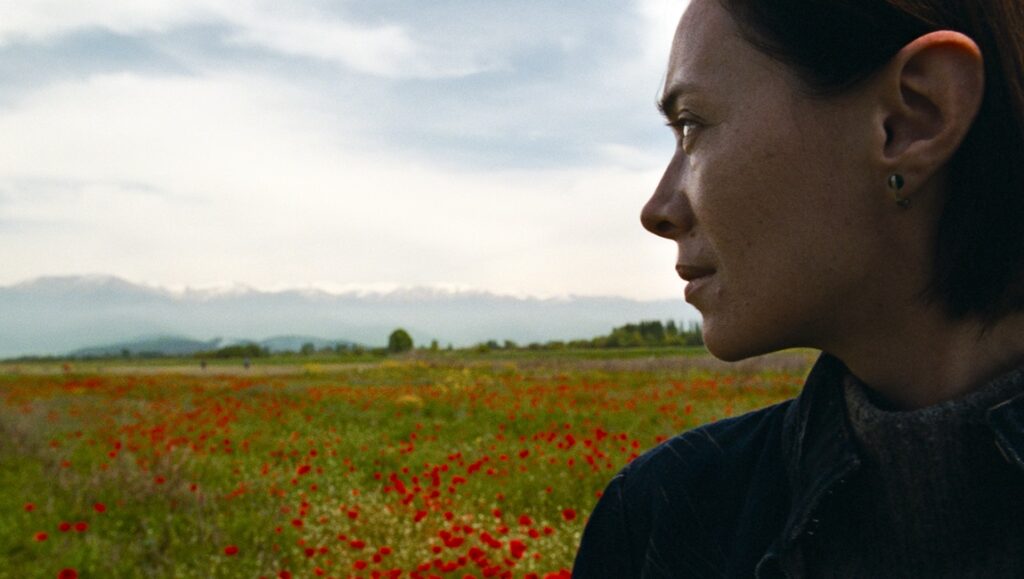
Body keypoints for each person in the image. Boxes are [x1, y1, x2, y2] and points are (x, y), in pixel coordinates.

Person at [573, 0, 1024, 577]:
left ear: (911, 118)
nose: (657, 211)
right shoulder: (661, 517)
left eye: (691, 125)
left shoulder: (677, 517)